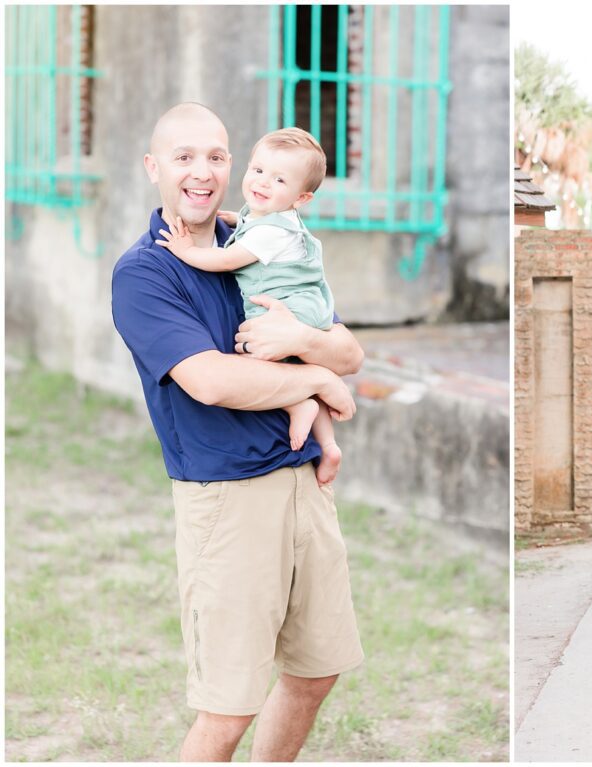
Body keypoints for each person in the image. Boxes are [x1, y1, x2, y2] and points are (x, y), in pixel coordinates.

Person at [111, 102, 364, 761]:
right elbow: (214, 382)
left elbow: (349, 352)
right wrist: (316, 381)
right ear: (153, 168)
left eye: (216, 156)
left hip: (302, 479)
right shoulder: (145, 272)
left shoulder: (258, 239)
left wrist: (310, 345)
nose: (203, 172)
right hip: (226, 498)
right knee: (227, 708)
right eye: (184, 157)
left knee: (316, 670)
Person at [156, 127, 342, 485]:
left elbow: (229, 260)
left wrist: (188, 252)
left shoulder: (273, 231)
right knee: (289, 362)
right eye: (257, 171)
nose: (263, 183)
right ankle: (328, 442)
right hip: (301, 304)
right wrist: (231, 219)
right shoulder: (265, 218)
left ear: (301, 198)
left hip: (288, 307)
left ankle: (298, 404)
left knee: (252, 357)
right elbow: (248, 225)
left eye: (279, 179)